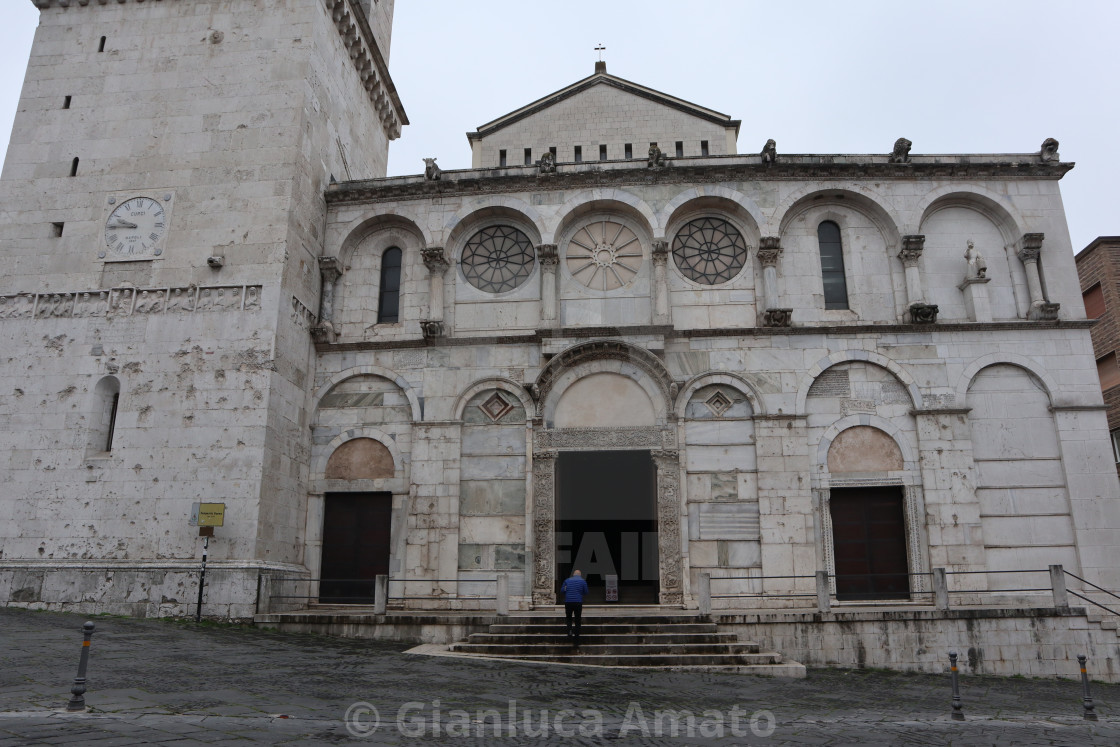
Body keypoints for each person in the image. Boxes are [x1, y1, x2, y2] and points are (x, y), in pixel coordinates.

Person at [560, 569, 590, 644]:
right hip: (578, 602)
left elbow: (562, 591)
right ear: (580, 575)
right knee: (577, 619)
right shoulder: (583, 581)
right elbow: (586, 592)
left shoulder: (567, 580)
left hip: (568, 602)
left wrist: (567, 592)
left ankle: (569, 631)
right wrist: (580, 593)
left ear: (573, 574)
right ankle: (576, 636)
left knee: (569, 618)